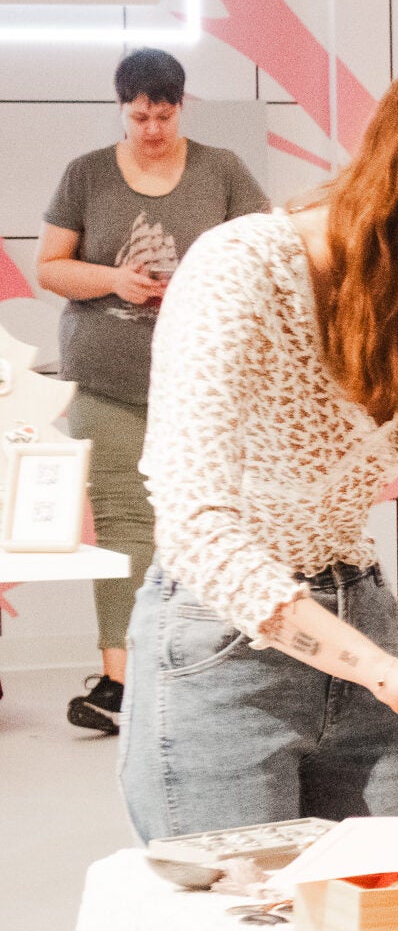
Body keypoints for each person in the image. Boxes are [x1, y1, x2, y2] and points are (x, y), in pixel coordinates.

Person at [119, 39, 398, 842]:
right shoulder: (240, 269)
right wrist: (389, 672)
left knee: (380, 926)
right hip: (224, 651)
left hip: (363, 637)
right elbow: (199, 530)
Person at [36, 48, 270, 733]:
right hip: (105, 382)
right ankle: (120, 681)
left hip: (202, 384)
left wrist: (198, 285)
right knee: (122, 527)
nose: (151, 128)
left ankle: (213, 667)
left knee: (212, 519)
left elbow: (264, 250)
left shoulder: (221, 169)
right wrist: (113, 280)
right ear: (122, 107)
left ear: (181, 106)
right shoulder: (86, 173)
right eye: (138, 115)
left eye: (163, 115)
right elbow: (50, 267)